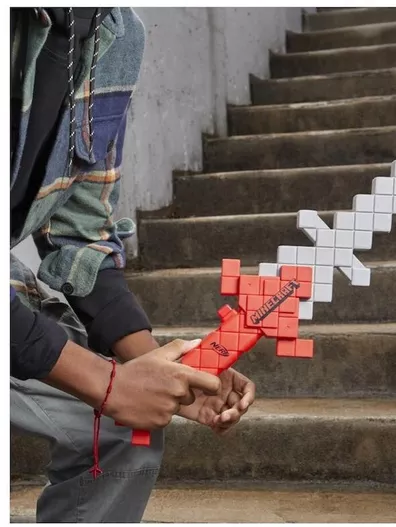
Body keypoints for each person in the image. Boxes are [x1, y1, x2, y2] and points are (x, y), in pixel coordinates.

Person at [10, 7, 256, 523]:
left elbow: (80, 229)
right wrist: (108, 384)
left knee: (121, 430)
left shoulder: (115, 36)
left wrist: (167, 371)